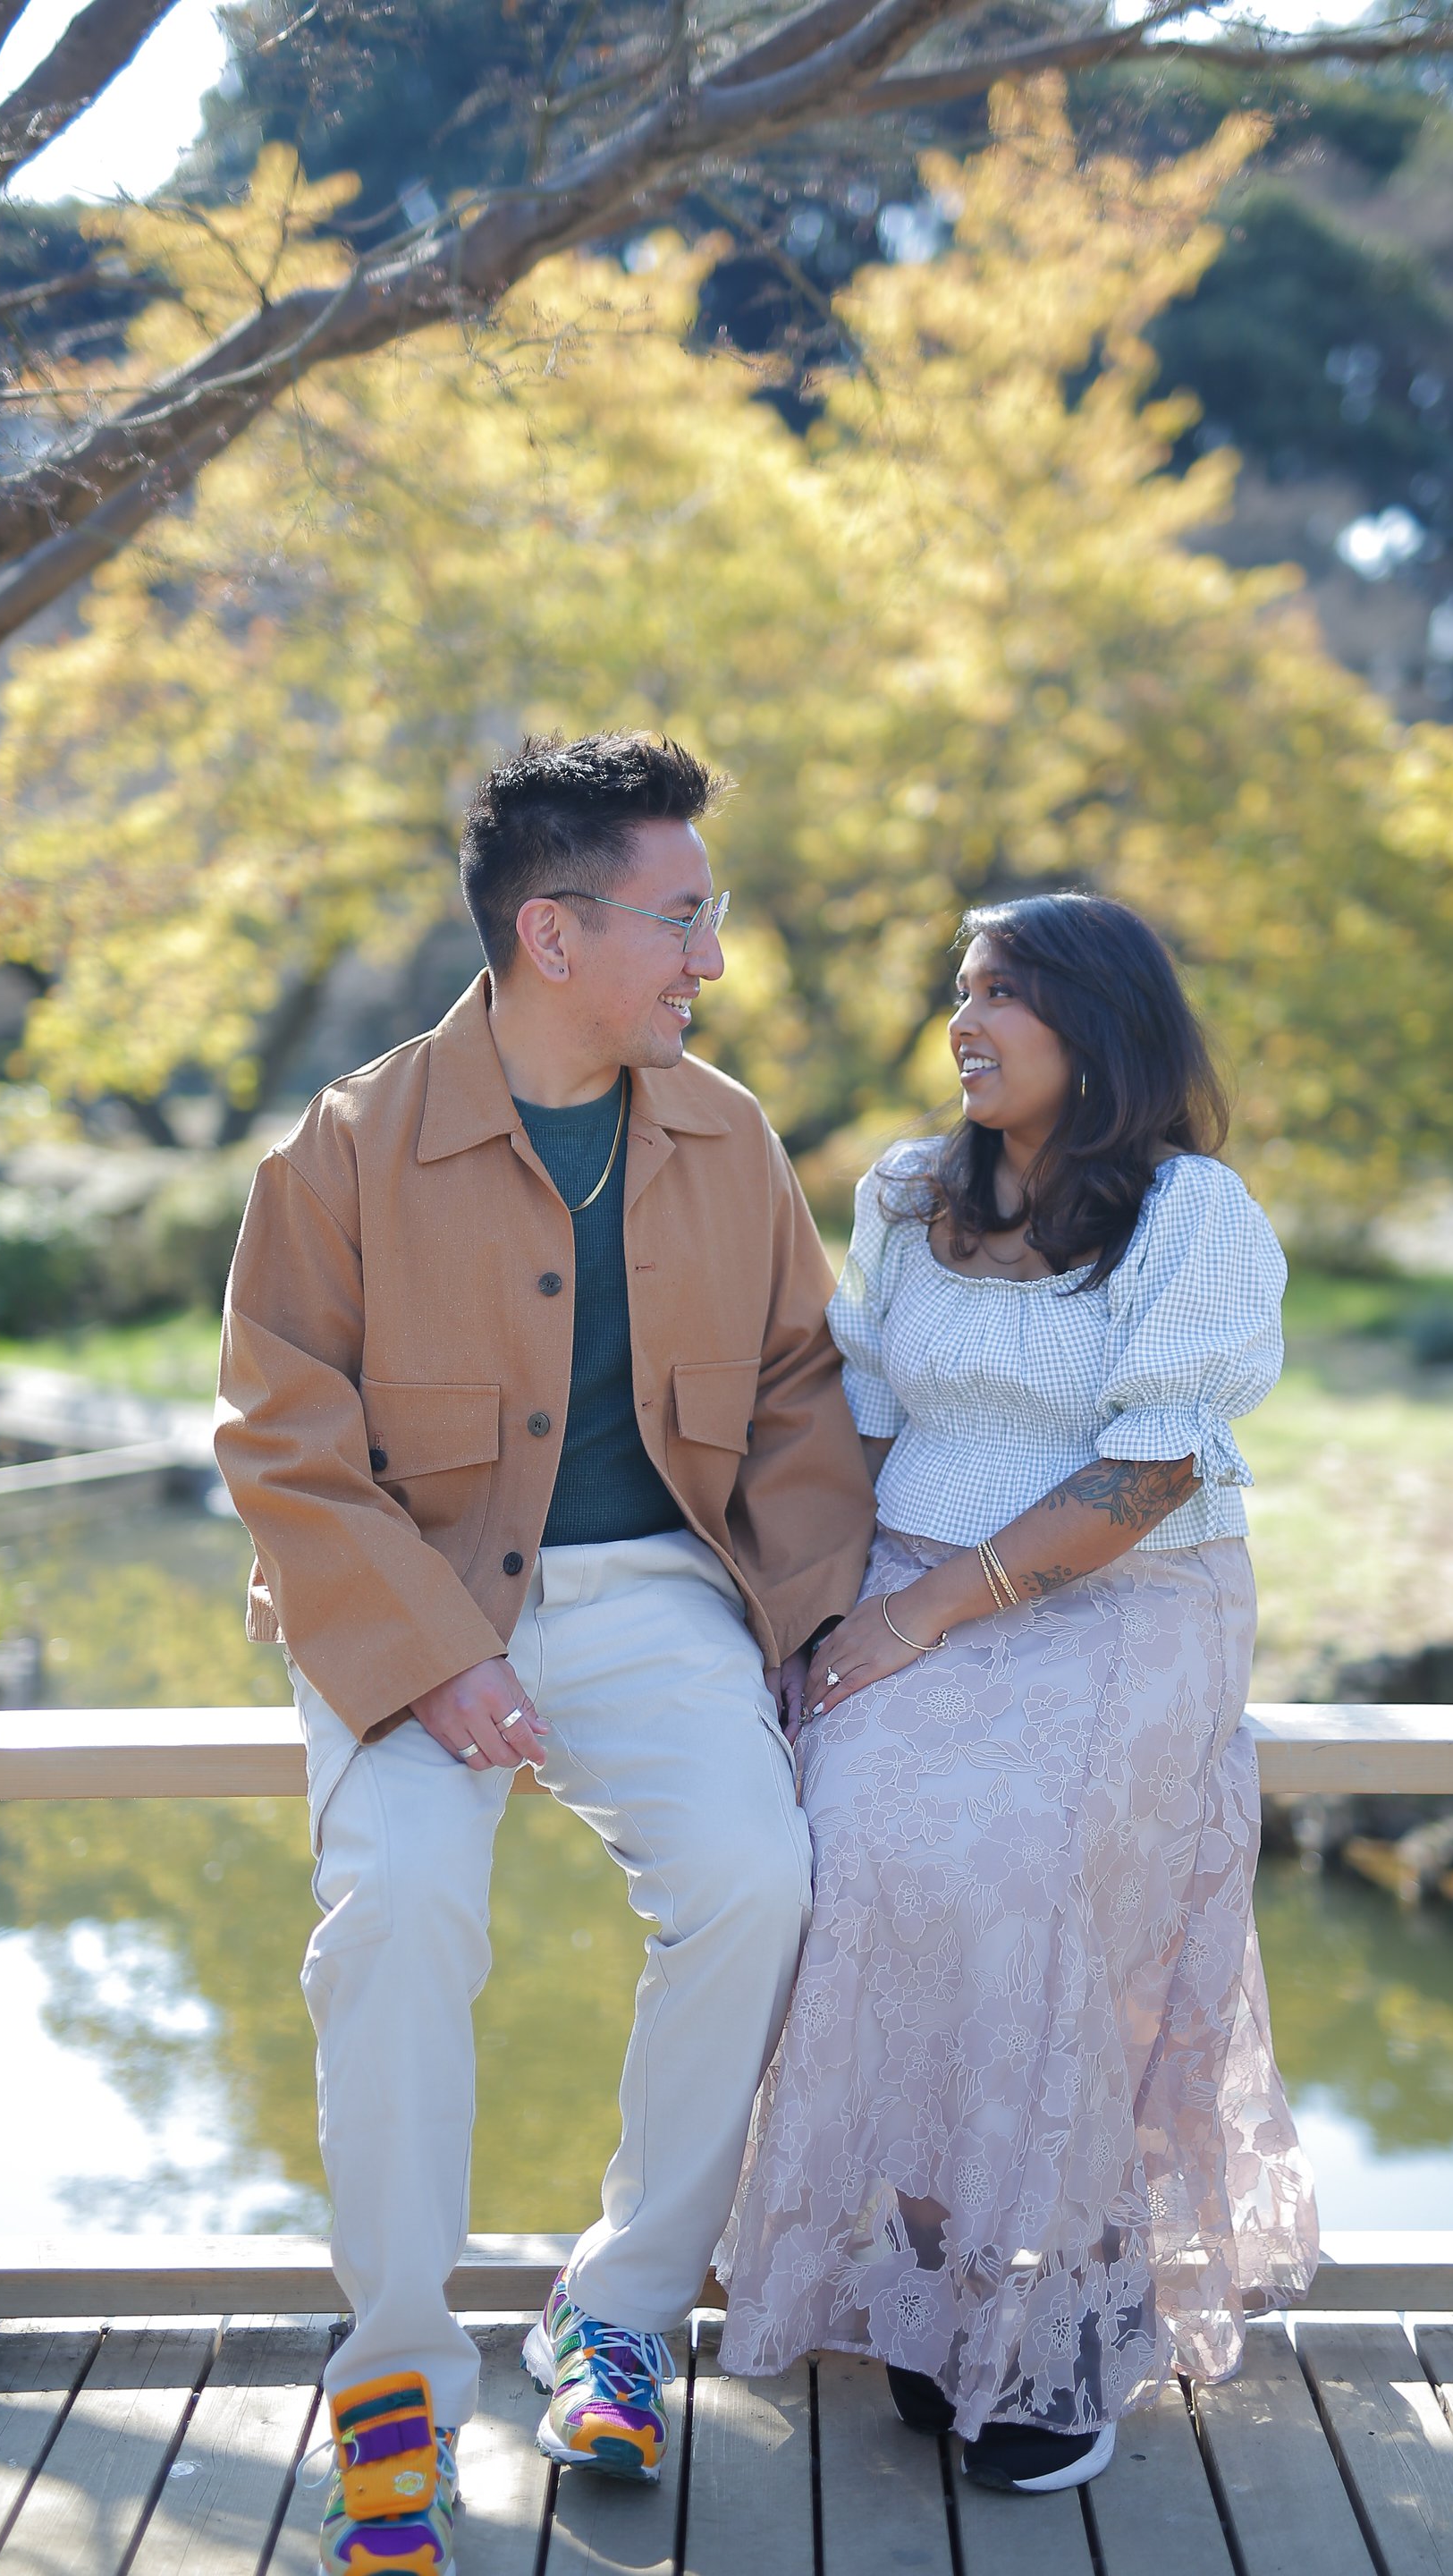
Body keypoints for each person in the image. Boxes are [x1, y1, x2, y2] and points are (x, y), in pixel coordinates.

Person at [215, 732, 875, 2575]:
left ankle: (622, 2313)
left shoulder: (731, 1140)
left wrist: (810, 1631)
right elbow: (282, 1448)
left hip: (655, 1593)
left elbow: (801, 1403)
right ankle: (393, 2378)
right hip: (408, 1598)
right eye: (684, 918)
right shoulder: (340, 1152)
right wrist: (432, 1659)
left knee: (756, 1876)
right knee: (399, 1916)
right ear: (552, 933)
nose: (712, 958)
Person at [719, 890, 1318, 2496]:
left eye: (1001, 995)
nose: (963, 1024)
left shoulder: (1193, 1212)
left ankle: (1074, 2323)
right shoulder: (909, 1190)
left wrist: (922, 1616)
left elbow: (1148, 1472)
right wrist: (818, 1603)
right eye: (960, 991)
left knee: (1026, 1887)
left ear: (1097, 1025)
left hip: (1124, 1598)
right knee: (856, 1861)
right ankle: (936, 2288)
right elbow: (856, 1403)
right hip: (907, 1582)